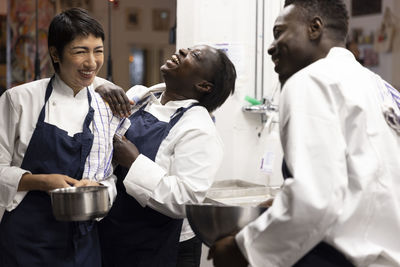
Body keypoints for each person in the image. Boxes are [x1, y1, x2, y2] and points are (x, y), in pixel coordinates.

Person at [208, 0, 400, 266]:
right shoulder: (382, 90)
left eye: (279, 33)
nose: (270, 47)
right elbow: (367, 181)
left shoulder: (310, 80)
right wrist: (284, 201)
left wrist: (242, 249)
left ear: (315, 28)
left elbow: (315, 201)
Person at [0, 8, 128, 266]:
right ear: (55, 54)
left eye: (98, 50)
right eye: (80, 51)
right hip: (28, 238)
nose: (92, 62)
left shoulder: (106, 107)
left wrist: (98, 189)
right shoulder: (20, 100)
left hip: (84, 239)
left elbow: (109, 174)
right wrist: (42, 181)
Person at [96, 44, 236, 267]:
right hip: (117, 235)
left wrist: (134, 163)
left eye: (194, 56)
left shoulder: (199, 129)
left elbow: (185, 200)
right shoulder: (140, 98)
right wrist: (101, 91)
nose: (182, 51)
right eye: (188, 49)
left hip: (160, 247)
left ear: (203, 85)